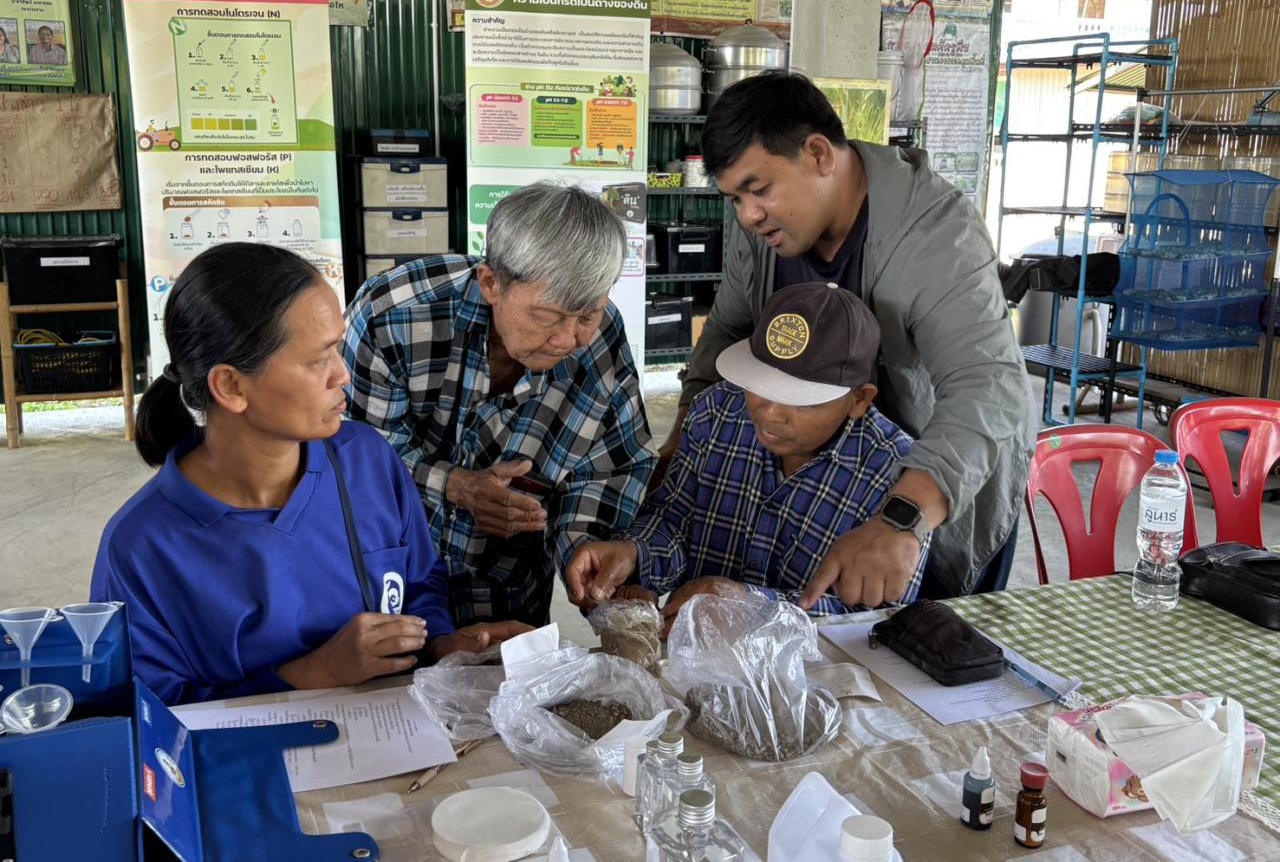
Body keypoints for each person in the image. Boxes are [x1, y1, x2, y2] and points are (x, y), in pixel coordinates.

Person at [91, 243, 528, 705]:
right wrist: (312, 673)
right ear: (231, 386)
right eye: (319, 359)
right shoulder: (140, 548)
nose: (342, 375)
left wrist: (443, 644)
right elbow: (148, 714)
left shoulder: (366, 461)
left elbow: (420, 584)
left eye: (338, 349)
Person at [657, 70, 1033, 604]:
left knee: (918, 661)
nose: (747, 215)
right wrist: (679, 446)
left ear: (818, 155)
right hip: (822, 489)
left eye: (757, 190)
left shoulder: (936, 234)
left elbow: (989, 386)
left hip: (930, 493)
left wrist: (903, 520)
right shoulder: (764, 228)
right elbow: (726, 333)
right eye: (734, 198)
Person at [344, 182, 656, 627]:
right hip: (393, 586)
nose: (569, 340)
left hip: (512, 596)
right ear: (491, 283)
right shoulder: (393, 316)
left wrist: (584, 552)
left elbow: (610, 466)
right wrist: (457, 486)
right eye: (546, 317)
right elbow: (357, 456)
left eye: (587, 314)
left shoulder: (602, 337)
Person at [566, 282, 924, 629]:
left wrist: (748, 604)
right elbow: (674, 520)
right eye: (760, 386)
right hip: (694, 662)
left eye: (800, 400)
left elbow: (879, 616)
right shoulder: (717, 414)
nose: (770, 413)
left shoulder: (900, 474)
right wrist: (633, 554)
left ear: (860, 399)